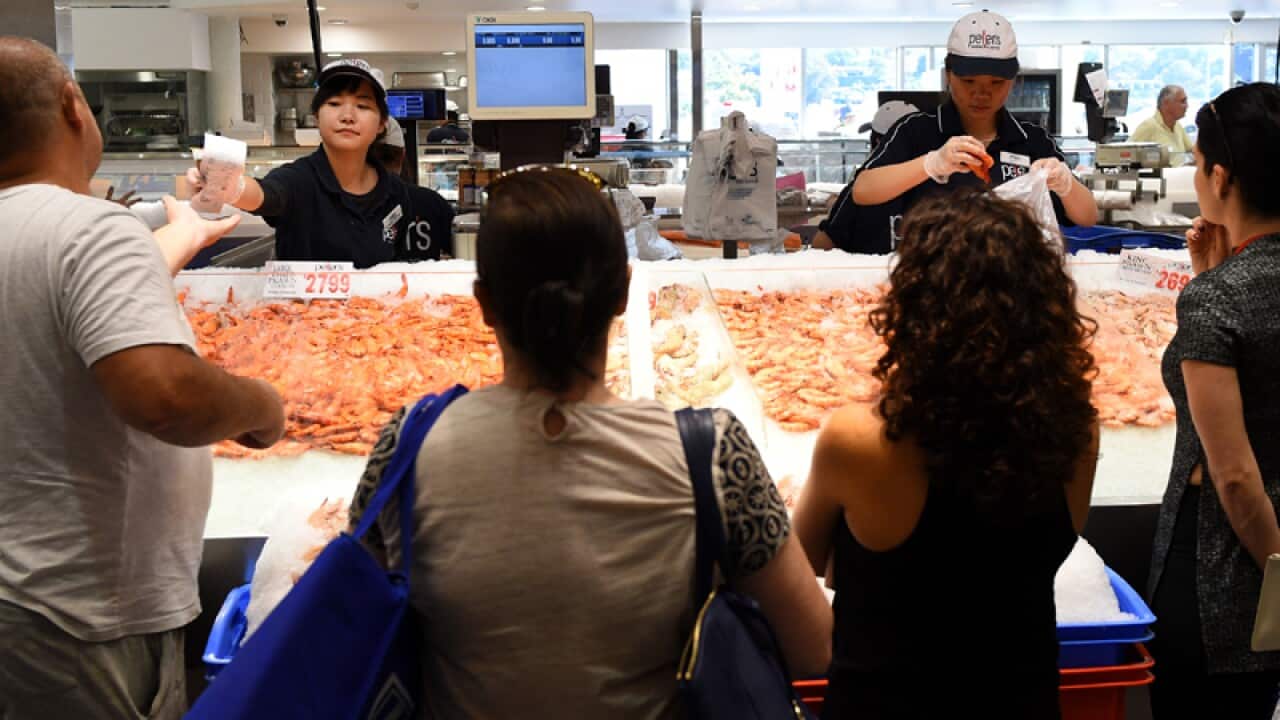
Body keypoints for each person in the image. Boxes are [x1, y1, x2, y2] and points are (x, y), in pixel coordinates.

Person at [345, 166, 832, 718]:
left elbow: (347, 638)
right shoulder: (714, 454)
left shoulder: (408, 448)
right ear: (623, 293)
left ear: (481, 303)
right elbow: (815, 650)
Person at [0, 36, 285, 719]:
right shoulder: (91, 228)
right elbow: (164, 395)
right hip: (78, 611)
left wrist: (183, 234)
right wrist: (258, 402)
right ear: (74, 107)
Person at [793, 189, 1100, 719]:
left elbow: (803, 571)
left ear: (912, 303)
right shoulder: (1076, 429)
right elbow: (1037, 548)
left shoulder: (857, 440)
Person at [1146, 82, 1280, 720]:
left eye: (1197, 164)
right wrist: (1213, 272)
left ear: (1221, 177)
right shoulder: (1222, 287)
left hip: (1226, 571)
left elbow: (1233, 476)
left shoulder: (1216, 300)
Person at [852, 10, 1098, 235]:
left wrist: (1066, 185)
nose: (981, 94)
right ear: (949, 75)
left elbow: (1087, 217)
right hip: (933, 273)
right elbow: (863, 191)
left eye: (996, 83)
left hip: (1014, 274)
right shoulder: (915, 130)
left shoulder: (1031, 139)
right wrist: (932, 163)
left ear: (1013, 81)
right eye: (969, 81)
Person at [186, 59, 420, 268]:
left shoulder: (394, 192)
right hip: (300, 313)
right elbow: (266, 194)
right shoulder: (298, 179)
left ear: (381, 124)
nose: (347, 116)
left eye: (363, 106)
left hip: (377, 314)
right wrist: (231, 185)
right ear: (317, 117)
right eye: (335, 103)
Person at [813, 100, 919, 253]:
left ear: (878, 142)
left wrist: (837, 209)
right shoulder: (939, 183)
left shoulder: (861, 189)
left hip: (873, 276)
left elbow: (822, 245)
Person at [370, 116, 455, 261]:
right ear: (403, 155)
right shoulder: (432, 201)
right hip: (425, 283)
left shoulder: (350, 205)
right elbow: (458, 252)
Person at [1130, 84, 1193, 158]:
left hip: (1181, 169)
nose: (1187, 106)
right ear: (1166, 103)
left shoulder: (1177, 126)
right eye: (1183, 101)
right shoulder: (1149, 126)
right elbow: (1125, 154)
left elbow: (1193, 151)